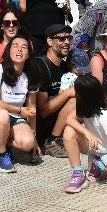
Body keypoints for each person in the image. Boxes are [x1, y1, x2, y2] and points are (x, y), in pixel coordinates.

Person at [0, 35, 42, 172]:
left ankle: (5, 145)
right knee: (2, 115)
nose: (19, 50)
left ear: (28, 54)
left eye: (24, 47)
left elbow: (31, 108)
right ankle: (1, 155)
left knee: (27, 142)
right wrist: (19, 111)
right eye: (15, 46)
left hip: (14, 117)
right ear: (8, 51)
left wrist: (34, 135)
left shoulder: (31, 75)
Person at [59, 74, 107, 192]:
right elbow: (69, 119)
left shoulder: (104, 117)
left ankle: (99, 163)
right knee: (69, 130)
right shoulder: (84, 105)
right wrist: (87, 133)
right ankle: (78, 173)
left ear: (83, 96)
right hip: (93, 145)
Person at [34, 23, 79, 158]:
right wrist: (68, 92)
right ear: (49, 41)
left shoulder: (65, 67)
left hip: (61, 120)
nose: (66, 42)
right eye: (61, 39)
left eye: (68, 38)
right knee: (74, 98)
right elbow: (42, 111)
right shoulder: (40, 65)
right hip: (42, 127)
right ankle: (51, 141)